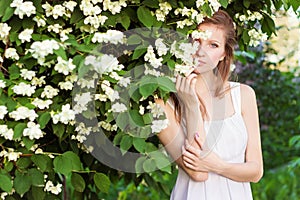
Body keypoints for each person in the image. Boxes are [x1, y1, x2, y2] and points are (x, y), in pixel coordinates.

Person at [156, 10, 263, 200]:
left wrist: (218, 166)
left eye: (213, 45)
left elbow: (255, 171)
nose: (200, 52)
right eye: (195, 41)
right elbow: (198, 173)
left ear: (223, 54)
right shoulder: (162, 104)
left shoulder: (243, 95)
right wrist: (190, 105)